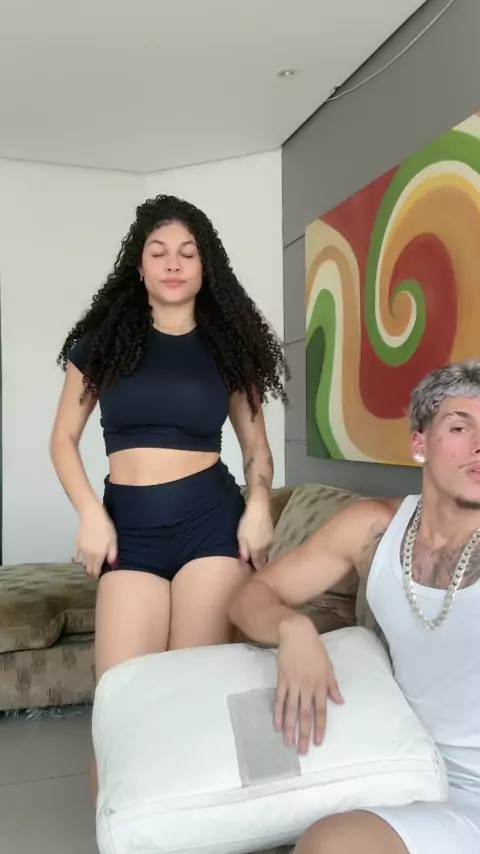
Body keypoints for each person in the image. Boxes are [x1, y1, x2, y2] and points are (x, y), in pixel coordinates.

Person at [228, 361, 480, 854]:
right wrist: (293, 629)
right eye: (459, 428)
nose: (479, 445)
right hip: (401, 766)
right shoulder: (374, 528)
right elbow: (248, 598)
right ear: (419, 444)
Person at [51, 194, 285, 682]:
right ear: (140, 267)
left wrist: (260, 505)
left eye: (187, 253)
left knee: (190, 693)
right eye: (158, 253)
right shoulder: (101, 345)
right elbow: (63, 439)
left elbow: (256, 448)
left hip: (210, 525)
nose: (173, 264)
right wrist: (90, 515)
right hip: (129, 529)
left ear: (205, 267)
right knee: (123, 696)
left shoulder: (230, 349)